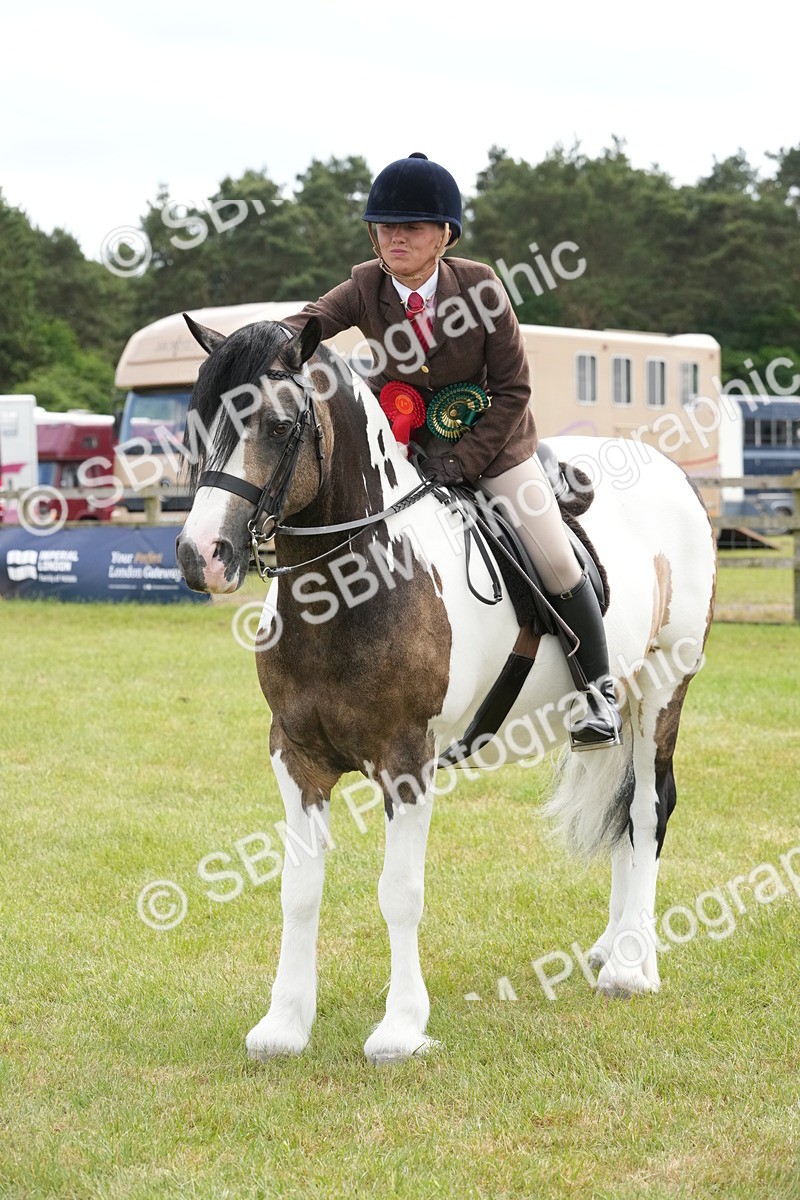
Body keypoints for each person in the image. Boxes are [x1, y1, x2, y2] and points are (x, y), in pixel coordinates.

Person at [283, 153, 621, 751]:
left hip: (494, 449)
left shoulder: (481, 287)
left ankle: (598, 696)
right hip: (406, 452)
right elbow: (309, 323)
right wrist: (261, 347)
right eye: (385, 228)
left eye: (411, 228)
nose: (395, 239)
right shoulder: (365, 286)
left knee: (556, 559)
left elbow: (513, 390)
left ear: (445, 235)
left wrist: (464, 461)